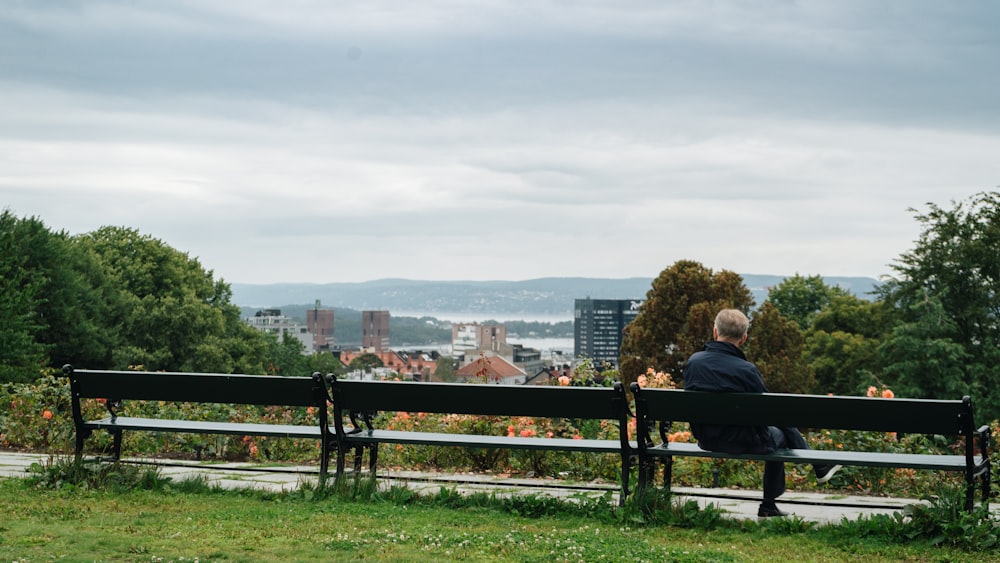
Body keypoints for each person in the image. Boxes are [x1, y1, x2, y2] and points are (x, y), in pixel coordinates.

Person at [682, 308, 841, 518]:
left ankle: (818, 464)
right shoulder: (746, 370)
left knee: (777, 428)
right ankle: (772, 501)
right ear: (744, 338)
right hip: (743, 441)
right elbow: (769, 412)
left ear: (715, 332)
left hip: (707, 439)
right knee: (780, 433)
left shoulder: (694, 362)